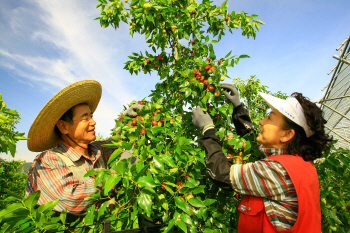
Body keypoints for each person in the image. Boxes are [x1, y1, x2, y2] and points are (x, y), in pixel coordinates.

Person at [191, 83, 333, 233]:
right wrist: (238, 108)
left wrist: (208, 129)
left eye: (270, 118)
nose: (261, 121)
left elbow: (222, 173)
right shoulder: (299, 165)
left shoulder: (278, 171)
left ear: (287, 135)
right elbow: (251, 142)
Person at [25, 80, 142, 218]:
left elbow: (118, 140)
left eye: (91, 116)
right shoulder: (47, 161)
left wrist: (127, 119)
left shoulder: (97, 150)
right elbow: (70, 200)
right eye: (85, 117)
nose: (93, 122)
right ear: (63, 127)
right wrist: (116, 174)